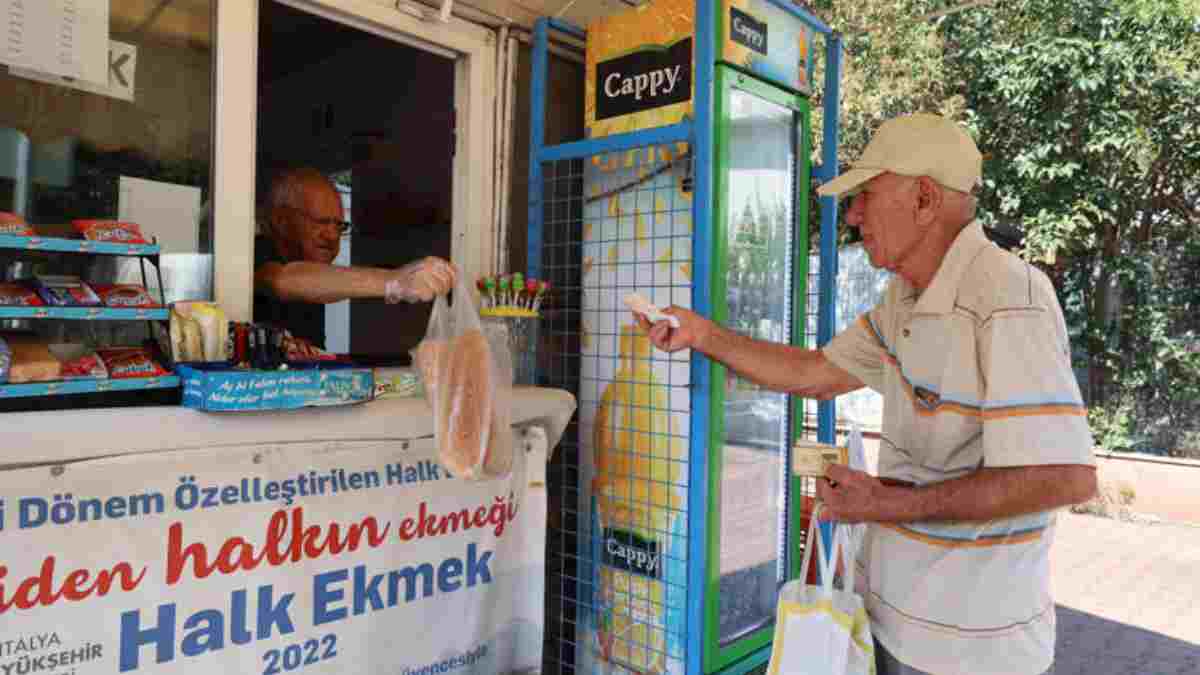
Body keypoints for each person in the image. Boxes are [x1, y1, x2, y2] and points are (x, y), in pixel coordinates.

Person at [636, 113, 1097, 675]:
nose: (852, 215)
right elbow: (813, 372)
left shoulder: (1008, 295)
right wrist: (703, 335)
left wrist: (884, 502)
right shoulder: (902, 299)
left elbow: (1063, 477)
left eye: (866, 196)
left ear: (925, 199)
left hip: (972, 653)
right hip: (894, 625)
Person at [254, 167, 455, 351]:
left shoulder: (313, 269)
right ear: (282, 222)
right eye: (321, 222)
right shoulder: (253, 256)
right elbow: (280, 281)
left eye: (339, 226)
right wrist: (396, 282)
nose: (332, 236)